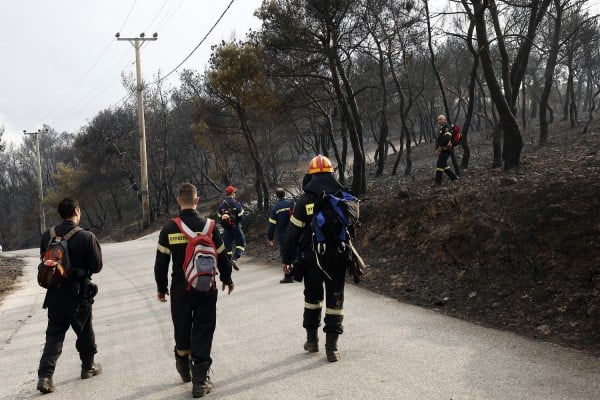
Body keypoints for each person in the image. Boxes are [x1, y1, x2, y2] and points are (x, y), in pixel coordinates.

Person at [154, 183, 234, 398]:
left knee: (182, 326)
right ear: (196, 201)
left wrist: (161, 288)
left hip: (180, 288)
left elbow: (161, 263)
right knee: (203, 328)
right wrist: (227, 279)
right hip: (206, 287)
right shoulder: (210, 226)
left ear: (179, 201)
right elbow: (223, 257)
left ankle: (183, 365)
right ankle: (200, 381)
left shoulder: (169, 229)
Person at [282, 155, 353, 362]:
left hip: (312, 258)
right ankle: (332, 347)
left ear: (310, 175)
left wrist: (287, 258)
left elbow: (291, 234)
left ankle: (312, 341)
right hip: (338, 256)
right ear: (332, 173)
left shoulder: (305, 201)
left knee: (312, 299)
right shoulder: (342, 197)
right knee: (335, 298)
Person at [36, 197, 103, 394]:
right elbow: (97, 266)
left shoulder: (47, 235)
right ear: (76, 211)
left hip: (54, 294)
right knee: (84, 331)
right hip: (78, 294)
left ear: (60, 214)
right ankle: (87, 367)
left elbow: (45, 261)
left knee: (54, 335)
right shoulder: (86, 236)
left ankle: (45, 377)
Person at [266, 187, 295, 283]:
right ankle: (297, 273)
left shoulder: (275, 208)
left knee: (285, 254)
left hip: (283, 235)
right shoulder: (291, 203)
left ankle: (288, 276)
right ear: (285, 194)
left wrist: (270, 237)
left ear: (277, 195)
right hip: (295, 232)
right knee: (295, 251)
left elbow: (272, 224)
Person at [217, 185, 246, 271]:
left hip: (226, 230)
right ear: (232, 193)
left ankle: (229, 262)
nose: (235, 193)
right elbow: (241, 217)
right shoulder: (237, 204)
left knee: (227, 247)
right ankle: (235, 258)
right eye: (235, 192)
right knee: (241, 243)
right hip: (236, 227)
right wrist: (236, 222)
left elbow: (219, 218)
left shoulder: (221, 206)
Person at [434, 114, 459, 186]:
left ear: (445, 120)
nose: (439, 121)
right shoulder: (442, 128)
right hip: (443, 149)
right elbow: (439, 140)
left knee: (439, 165)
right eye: (438, 120)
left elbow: (447, 139)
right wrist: (437, 148)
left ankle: (438, 182)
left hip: (447, 149)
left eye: (440, 119)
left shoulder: (447, 127)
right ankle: (454, 178)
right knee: (443, 165)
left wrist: (439, 148)